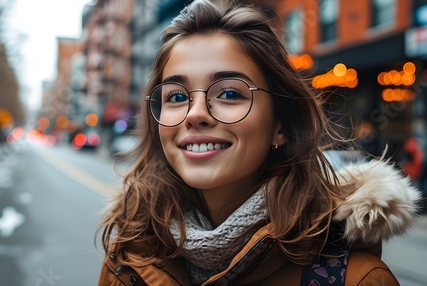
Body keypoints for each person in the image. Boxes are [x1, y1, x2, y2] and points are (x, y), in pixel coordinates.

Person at [97, 0, 422, 285]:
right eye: (177, 96)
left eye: (228, 93)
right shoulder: (126, 261)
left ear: (279, 125)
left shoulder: (357, 279)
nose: (194, 114)